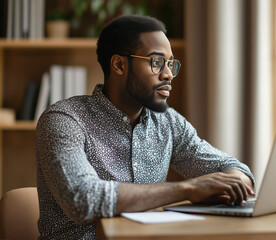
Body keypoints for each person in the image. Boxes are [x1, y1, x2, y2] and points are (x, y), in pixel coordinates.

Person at [36, 15, 255, 239]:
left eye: (170, 64)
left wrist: (233, 182)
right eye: (157, 62)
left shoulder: (168, 123)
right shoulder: (64, 120)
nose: (168, 74)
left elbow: (234, 169)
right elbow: (82, 200)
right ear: (119, 65)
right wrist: (189, 189)